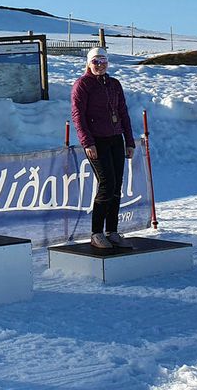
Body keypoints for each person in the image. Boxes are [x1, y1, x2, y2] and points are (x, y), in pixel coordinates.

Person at [71, 47, 135, 249]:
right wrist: (87, 142)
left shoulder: (114, 84)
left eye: (103, 61)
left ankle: (112, 230)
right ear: (89, 63)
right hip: (96, 141)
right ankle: (96, 232)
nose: (99, 65)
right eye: (95, 61)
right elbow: (78, 116)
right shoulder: (83, 84)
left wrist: (129, 141)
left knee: (117, 185)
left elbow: (123, 112)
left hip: (116, 138)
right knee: (106, 184)